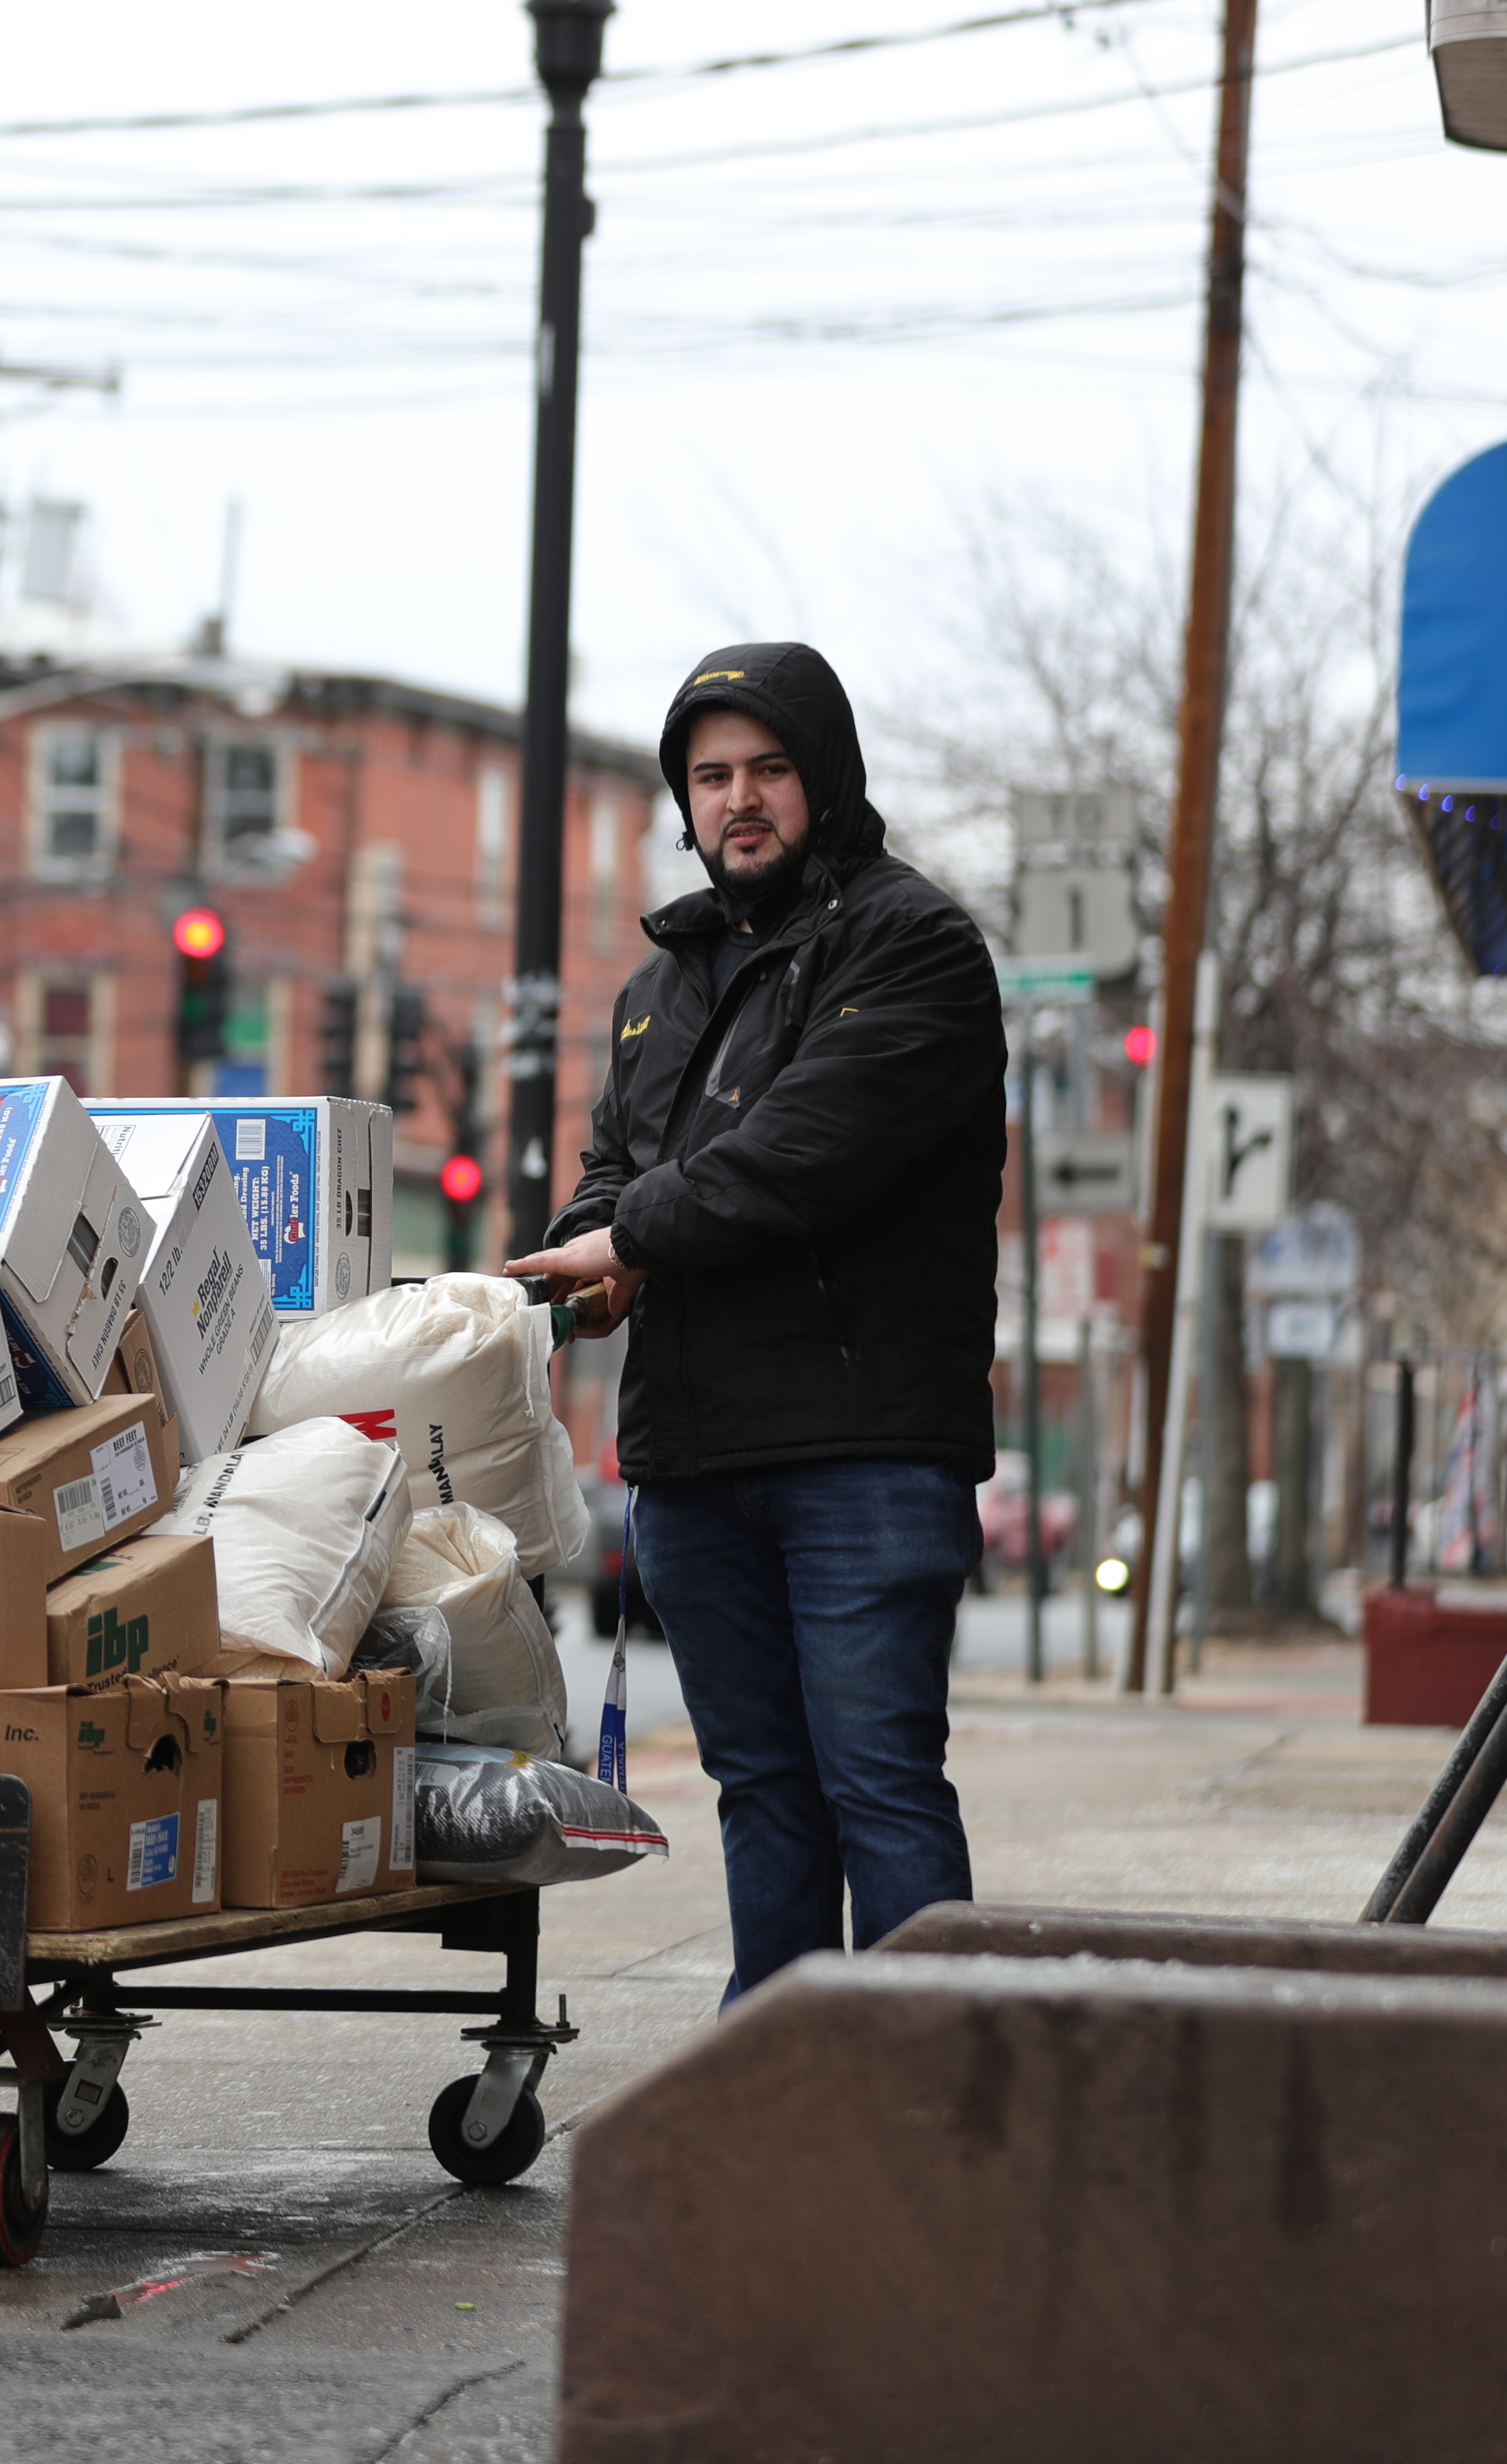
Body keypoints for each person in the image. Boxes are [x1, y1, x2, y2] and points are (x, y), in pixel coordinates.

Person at [508, 641, 1004, 2002]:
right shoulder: (660, 990)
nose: (739, 800)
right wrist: (585, 1259)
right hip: (699, 1458)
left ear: (826, 776)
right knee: (765, 1793)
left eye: (768, 769)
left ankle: (924, 2094)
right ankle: (773, 2084)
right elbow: (613, 1179)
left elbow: (796, 1156)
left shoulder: (914, 946)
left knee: (878, 1784)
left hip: (866, 1450)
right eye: (712, 775)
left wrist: (632, 1239)